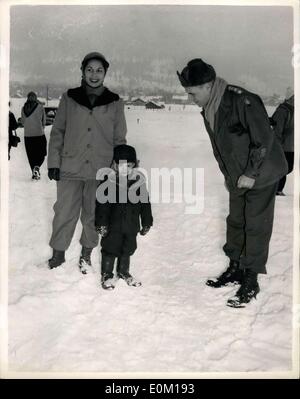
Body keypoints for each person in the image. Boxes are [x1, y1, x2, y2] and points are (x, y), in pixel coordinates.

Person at [177, 59, 288, 308]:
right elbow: (222, 149)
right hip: (237, 175)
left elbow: (263, 139)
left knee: (256, 224)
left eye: (192, 93)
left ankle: (251, 279)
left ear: (207, 86)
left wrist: (251, 173)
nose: (190, 98)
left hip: (262, 171)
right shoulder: (209, 108)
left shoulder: (242, 100)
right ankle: (235, 267)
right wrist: (231, 177)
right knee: (236, 221)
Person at [47, 52, 127, 273]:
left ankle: (86, 254)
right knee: (64, 212)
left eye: (99, 70)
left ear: (105, 73)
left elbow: (120, 139)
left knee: (94, 214)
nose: (94, 74)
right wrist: (54, 162)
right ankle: (58, 254)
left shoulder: (115, 102)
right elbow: (58, 132)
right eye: (90, 69)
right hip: (70, 167)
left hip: (101, 170)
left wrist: (119, 169)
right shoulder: (69, 98)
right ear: (82, 71)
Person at [95, 144, 153, 290]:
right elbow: (102, 205)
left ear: (135, 165)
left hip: (131, 225)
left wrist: (146, 221)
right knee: (110, 248)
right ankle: (107, 274)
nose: (125, 168)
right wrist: (101, 223)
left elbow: (145, 203)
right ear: (114, 164)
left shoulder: (138, 182)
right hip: (113, 225)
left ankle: (123, 271)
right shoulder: (108, 182)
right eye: (121, 165)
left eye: (129, 165)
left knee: (128, 248)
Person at [270, 95, 294, 196]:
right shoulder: (283, 111)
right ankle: (276, 190)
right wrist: (277, 146)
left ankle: (276, 189)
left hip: (290, 146)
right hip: (283, 147)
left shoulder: (293, 110)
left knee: (287, 168)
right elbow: (277, 131)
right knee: (283, 168)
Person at [21, 92, 47, 180]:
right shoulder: (40, 107)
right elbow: (44, 121)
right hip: (39, 134)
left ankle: (34, 173)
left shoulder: (23, 108)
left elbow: (23, 122)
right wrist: (41, 127)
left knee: (31, 155)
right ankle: (37, 167)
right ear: (35, 98)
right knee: (42, 152)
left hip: (27, 135)